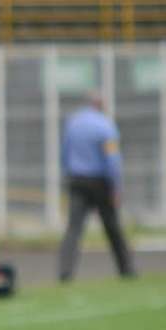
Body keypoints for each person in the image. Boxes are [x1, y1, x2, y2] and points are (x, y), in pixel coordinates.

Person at [58, 93, 135, 283]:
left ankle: (65, 271)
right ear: (101, 106)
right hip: (100, 182)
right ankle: (126, 268)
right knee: (112, 227)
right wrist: (116, 187)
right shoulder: (104, 126)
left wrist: (68, 175)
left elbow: (64, 154)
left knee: (74, 229)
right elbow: (112, 160)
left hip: (76, 180)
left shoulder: (73, 123)